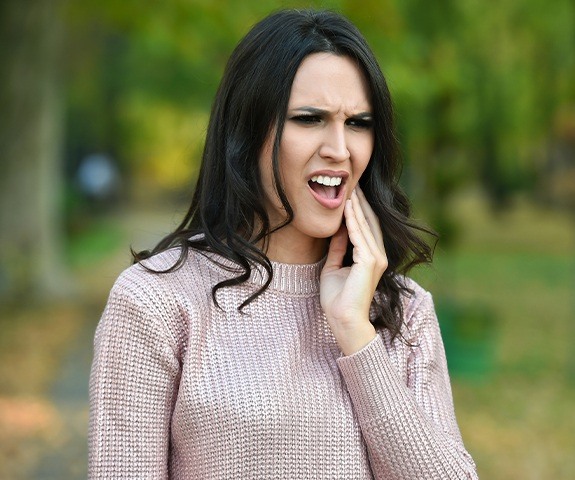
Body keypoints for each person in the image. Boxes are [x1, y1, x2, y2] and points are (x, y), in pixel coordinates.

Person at [88, 9, 478, 479]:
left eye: (358, 122)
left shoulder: (404, 311)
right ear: (246, 133)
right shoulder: (156, 301)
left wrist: (355, 332)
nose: (340, 147)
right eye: (309, 118)